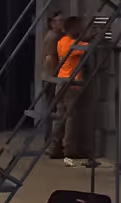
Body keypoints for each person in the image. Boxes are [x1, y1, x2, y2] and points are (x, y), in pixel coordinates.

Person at [49, 16, 93, 166]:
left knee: (60, 116)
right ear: (73, 28)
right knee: (71, 117)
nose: (81, 29)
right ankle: (69, 150)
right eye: (79, 26)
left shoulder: (62, 41)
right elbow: (88, 47)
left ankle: (55, 147)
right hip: (71, 84)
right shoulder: (74, 45)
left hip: (60, 82)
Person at [39, 10, 65, 156]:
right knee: (52, 109)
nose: (60, 24)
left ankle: (52, 141)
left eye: (62, 21)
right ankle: (50, 142)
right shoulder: (53, 37)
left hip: (51, 77)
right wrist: (56, 74)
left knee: (52, 109)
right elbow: (50, 58)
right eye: (57, 21)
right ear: (52, 23)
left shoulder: (59, 36)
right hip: (51, 78)